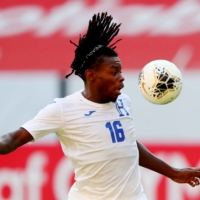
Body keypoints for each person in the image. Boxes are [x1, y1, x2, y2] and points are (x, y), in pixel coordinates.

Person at [0, 12, 200, 200]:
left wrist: (173, 172)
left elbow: (127, 145)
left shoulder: (123, 102)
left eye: (120, 72)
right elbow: (14, 138)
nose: (121, 78)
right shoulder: (63, 109)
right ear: (91, 75)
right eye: (114, 72)